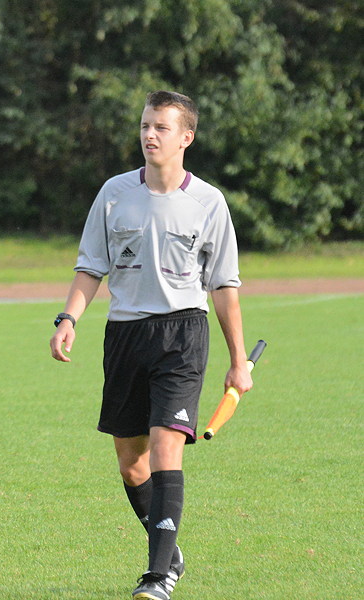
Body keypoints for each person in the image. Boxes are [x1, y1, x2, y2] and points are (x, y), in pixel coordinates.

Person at [49, 91, 253, 600]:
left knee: (166, 446)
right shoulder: (114, 192)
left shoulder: (209, 202)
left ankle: (158, 574)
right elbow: (90, 266)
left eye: (161, 127)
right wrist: (69, 318)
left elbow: (223, 287)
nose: (149, 135)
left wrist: (237, 361)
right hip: (124, 334)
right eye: (145, 125)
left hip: (182, 333)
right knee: (131, 460)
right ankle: (169, 549)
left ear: (186, 137)